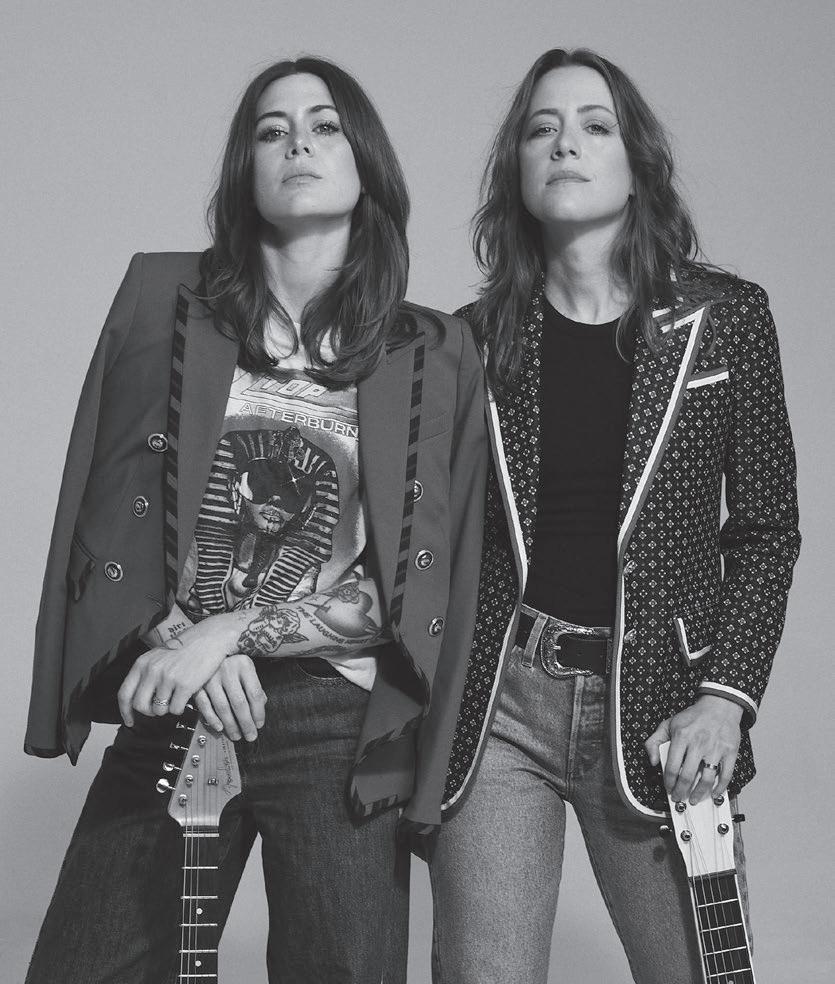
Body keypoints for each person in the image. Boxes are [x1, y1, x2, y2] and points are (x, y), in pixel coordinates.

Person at [24, 56, 487, 984]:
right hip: (174, 689)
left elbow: (421, 582)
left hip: (336, 718)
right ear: (246, 171)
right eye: (272, 131)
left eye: (324, 126)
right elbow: (103, 520)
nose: (298, 144)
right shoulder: (163, 303)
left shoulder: (433, 352)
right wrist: (183, 641)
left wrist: (234, 630)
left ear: (366, 165)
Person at [430, 47, 800, 984]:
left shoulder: (725, 320)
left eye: (594, 126)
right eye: (541, 129)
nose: (565, 144)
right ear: (516, 169)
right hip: (501, 702)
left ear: (636, 164)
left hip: (664, 708)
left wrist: (724, 698)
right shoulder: (470, 342)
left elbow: (766, 532)